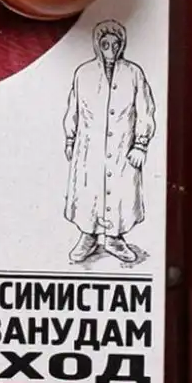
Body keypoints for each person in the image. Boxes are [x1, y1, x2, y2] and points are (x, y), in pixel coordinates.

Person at [63, 20, 156, 263]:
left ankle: (114, 239)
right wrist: (70, 139)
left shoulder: (134, 73)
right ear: (97, 45)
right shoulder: (83, 73)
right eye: (105, 44)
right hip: (89, 148)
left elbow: (145, 109)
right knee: (89, 191)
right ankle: (88, 237)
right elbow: (74, 108)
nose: (111, 50)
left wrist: (140, 144)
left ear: (122, 45)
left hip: (123, 148)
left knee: (120, 193)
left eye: (116, 44)